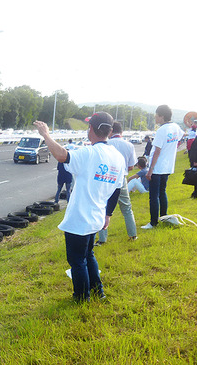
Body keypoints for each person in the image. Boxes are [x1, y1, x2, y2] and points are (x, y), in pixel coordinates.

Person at [34, 112, 126, 302]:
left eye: (88, 127)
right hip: (97, 215)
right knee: (88, 254)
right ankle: (97, 291)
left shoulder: (90, 153)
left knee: (77, 260)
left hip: (80, 217)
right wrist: (108, 214)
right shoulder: (117, 156)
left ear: (92, 129)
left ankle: (82, 297)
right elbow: (117, 189)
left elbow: (61, 155)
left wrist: (46, 135)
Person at [142, 105, 184, 229]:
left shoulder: (162, 130)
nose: (155, 117)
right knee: (162, 191)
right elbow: (181, 137)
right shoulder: (176, 127)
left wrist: (150, 170)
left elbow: (157, 152)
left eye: (156, 115)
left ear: (162, 116)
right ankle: (164, 217)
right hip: (168, 166)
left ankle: (153, 222)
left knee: (154, 195)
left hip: (158, 166)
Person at [97, 121, 137, 244]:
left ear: (110, 131)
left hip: (106, 179)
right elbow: (131, 166)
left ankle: (102, 239)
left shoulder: (106, 144)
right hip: (122, 178)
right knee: (126, 208)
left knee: (103, 207)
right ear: (121, 132)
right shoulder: (129, 145)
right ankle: (132, 234)